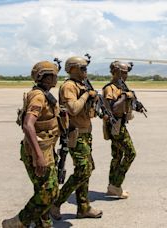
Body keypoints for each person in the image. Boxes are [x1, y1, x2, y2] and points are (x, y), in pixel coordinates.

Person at [2, 60, 63, 228]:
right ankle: (18, 222)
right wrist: (38, 157)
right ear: (45, 77)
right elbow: (28, 124)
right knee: (48, 192)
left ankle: (43, 224)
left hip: (45, 148)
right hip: (37, 150)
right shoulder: (38, 96)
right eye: (54, 75)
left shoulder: (44, 94)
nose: (56, 78)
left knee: (43, 191)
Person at [50, 56, 102, 220]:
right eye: (83, 68)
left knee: (86, 170)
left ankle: (83, 207)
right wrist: (87, 95)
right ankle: (56, 203)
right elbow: (73, 108)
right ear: (72, 69)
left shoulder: (82, 85)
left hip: (86, 132)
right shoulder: (69, 86)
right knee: (83, 170)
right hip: (75, 134)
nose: (86, 71)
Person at [102, 61, 137, 199]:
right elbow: (113, 107)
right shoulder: (109, 89)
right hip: (115, 126)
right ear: (116, 72)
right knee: (130, 153)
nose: (126, 75)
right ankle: (116, 185)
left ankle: (112, 187)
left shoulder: (120, 87)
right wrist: (125, 96)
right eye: (124, 72)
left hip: (120, 124)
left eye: (127, 72)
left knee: (117, 156)